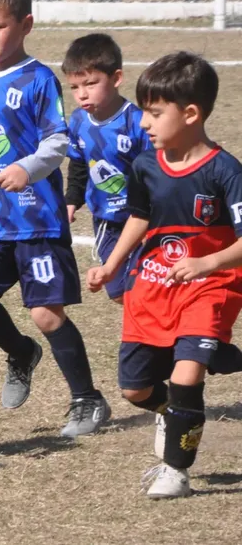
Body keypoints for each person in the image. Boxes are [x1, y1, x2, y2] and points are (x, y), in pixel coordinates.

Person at [0, 0, 110, 438]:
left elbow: (58, 139)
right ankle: (20, 352)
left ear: (25, 25)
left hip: (36, 218)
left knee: (46, 313)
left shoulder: (40, 78)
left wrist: (28, 168)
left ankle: (87, 400)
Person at [87, 52, 242, 498]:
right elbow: (139, 217)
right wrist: (111, 265)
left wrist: (206, 264)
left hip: (208, 286)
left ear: (191, 113)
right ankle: (178, 413)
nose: (144, 123)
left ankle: (176, 471)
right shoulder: (146, 165)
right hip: (153, 287)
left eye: (154, 113)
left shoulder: (225, 171)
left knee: (186, 375)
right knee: (135, 390)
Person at [63, 33, 152, 304]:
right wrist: (71, 200)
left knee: (145, 286)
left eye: (91, 83)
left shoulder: (136, 121)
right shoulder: (78, 121)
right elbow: (78, 162)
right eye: (75, 87)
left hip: (143, 219)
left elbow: (154, 169)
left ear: (116, 78)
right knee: (118, 292)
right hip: (106, 221)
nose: (82, 94)